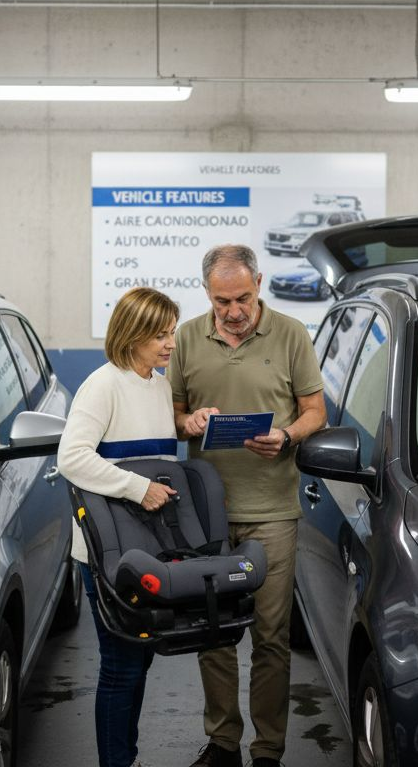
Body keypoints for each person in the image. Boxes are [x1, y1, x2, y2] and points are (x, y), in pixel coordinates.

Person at [169, 245, 327, 767]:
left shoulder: (290, 334)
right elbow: (172, 411)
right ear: (207, 294)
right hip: (206, 511)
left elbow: (314, 411)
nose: (233, 311)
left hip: (273, 511)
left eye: (242, 297)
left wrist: (286, 435)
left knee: (271, 636)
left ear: (258, 283)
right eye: (221, 301)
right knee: (212, 633)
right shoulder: (188, 337)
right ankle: (221, 744)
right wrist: (188, 423)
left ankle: (267, 751)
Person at [57, 286, 213, 767]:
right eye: (160, 335)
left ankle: (127, 759)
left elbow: (157, 462)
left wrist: (188, 427)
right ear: (132, 335)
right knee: (122, 668)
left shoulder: (158, 385)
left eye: (171, 332)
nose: (170, 343)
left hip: (147, 548)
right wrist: (134, 488)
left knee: (139, 661)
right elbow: (71, 458)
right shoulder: (102, 385)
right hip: (107, 554)